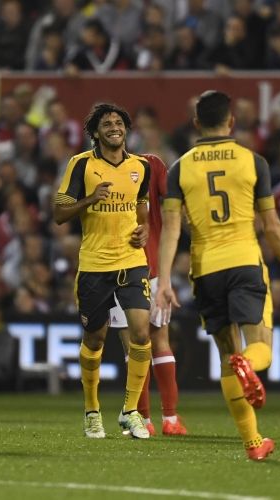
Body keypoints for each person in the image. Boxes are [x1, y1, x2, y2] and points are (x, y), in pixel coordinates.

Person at [155, 90, 280, 461]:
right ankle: (248, 365)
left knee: (227, 356)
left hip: (205, 270)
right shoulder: (253, 162)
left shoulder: (179, 168)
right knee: (260, 347)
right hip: (244, 262)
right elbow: (271, 224)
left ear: (196, 123)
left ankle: (253, 442)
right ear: (231, 121)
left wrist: (164, 281)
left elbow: (171, 227)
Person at [53, 103, 152, 439]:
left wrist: (144, 229)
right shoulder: (81, 164)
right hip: (95, 265)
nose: (114, 127)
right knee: (95, 339)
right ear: (95, 132)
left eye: (119, 122)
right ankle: (92, 411)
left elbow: (141, 205)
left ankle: (130, 411)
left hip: (131, 260)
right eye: (107, 123)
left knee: (142, 333)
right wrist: (89, 199)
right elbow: (59, 213)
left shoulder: (140, 166)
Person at [111, 153, 187, 437]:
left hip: (118, 268)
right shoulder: (151, 164)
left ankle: (144, 419)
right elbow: (175, 202)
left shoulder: (94, 167)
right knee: (159, 341)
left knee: (133, 347)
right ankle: (170, 419)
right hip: (148, 266)